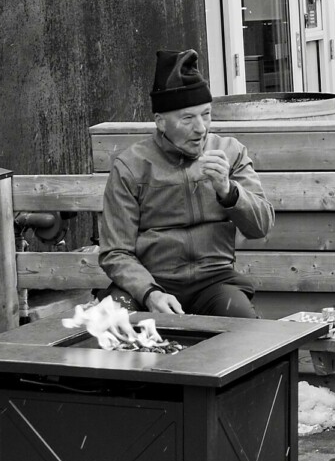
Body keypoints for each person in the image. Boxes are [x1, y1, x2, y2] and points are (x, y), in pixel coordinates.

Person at [98, 48, 274, 317]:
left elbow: (261, 226)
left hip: (215, 283)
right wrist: (150, 292)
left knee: (248, 335)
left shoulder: (230, 152)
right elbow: (115, 252)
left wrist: (228, 191)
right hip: (151, 282)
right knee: (108, 332)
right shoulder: (131, 166)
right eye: (188, 118)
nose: (201, 128)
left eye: (206, 114)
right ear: (160, 122)